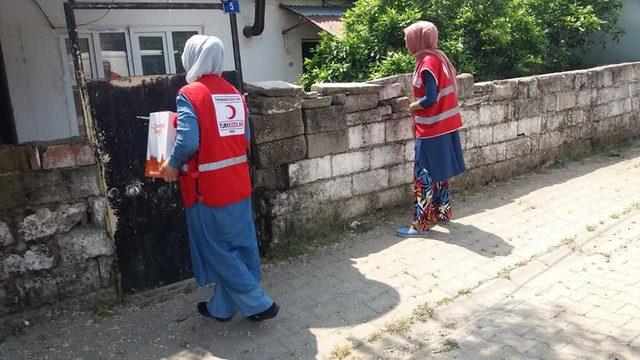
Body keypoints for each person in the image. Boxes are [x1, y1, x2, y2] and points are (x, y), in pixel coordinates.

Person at [158, 35, 279, 322]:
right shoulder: (234, 94)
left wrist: (172, 164)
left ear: (192, 57)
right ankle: (221, 307)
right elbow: (246, 138)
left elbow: (188, 141)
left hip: (206, 190)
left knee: (216, 251)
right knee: (240, 245)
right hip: (237, 184)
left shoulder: (190, 93)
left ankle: (258, 302)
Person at [396, 21, 466, 238]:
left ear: (418, 40)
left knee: (423, 175)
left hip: (432, 128)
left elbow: (431, 98)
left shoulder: (426, 61)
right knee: (440, 171)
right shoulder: (439, 58)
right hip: (446, 126)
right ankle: (441, 212)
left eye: (408, 39)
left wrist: (411, 106)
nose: (407, 44)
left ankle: (420, 225)